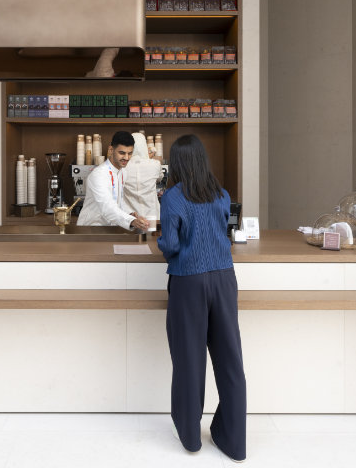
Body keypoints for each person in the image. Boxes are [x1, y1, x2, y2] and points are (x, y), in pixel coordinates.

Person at [156, 134, 246, 462]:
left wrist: (160, 244)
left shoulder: (172, 198)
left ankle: (191, 438)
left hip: (188, 283)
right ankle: (233, 441)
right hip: (224, 279)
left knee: (189, 360)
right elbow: (222, 233)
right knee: (230, 361)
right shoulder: (221, 194)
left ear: (176, 163)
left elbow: (172, 245)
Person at [76, 130, 150, 230]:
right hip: (90, 230)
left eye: (130, 153)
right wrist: (131, 220)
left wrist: (129, 214)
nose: (126, 158)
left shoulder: (123, 172)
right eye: (122, 153)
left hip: (108, 229)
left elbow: (117, 200)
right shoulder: (98, 175)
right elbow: (108, 207)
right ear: (111, 150)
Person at [123, 131, 162, 231]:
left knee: (130, 244)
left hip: (131, 219)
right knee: (152, 244)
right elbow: (160, 177)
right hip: (152, 218)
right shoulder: (155, 164)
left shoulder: (123, 167)